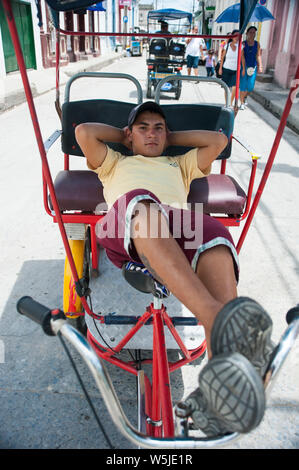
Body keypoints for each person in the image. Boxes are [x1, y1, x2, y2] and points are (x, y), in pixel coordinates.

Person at [75, 101, 274, 437]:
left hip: (177, 229)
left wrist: (168, 137)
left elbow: (218, 141)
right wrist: (125, 138)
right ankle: (220, 319)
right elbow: (84, 132)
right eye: (143, 128)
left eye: (158, 128)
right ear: (130, 135)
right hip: (128, 224)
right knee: (142, 201)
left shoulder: (179, 164)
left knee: (215, 234)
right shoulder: (114, 162)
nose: (151, 133)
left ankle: (221, 395)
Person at [240, 26, 263, 110]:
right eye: (251, 32)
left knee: (250, 87)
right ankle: (242, 102)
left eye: (254, 33)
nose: (252, 34)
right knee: (243, 85)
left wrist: (260, 65)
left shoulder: (257, 44)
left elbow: (258, 55)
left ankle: (244, 97)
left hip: (253, 67)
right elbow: (242, 56)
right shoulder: (243, 43)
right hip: (244, 66)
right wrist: (243, 68)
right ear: (247, 34)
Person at [218, 29, 243, 106]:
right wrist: (220, 68)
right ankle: (227, 103)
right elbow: (223, 57)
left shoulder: (241, 46)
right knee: (227, 88)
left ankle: (230, 103)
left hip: (236, 70)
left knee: (235, 88)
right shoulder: (227, 46)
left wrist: (243, 68)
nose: (236, 37)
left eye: (238, 36)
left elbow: (242, 59)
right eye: (235, 35)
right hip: (226, 69)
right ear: (232, 36)